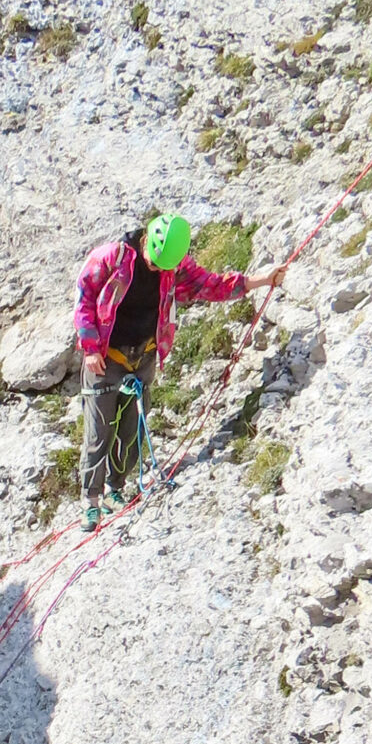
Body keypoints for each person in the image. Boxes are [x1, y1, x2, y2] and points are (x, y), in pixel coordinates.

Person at [74, 212, 281, 526]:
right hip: (105, 358)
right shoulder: (111, 257)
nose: (157, 270)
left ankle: (116, 488)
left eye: (164, 267)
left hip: (143, 358)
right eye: (155, 263)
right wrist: (90, 347)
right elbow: (84, 297)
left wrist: (262, 280)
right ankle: (91, 500)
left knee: (131, 430)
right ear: (147, 240)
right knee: (98, 432)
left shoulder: (174, 266)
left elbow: (210, 285)